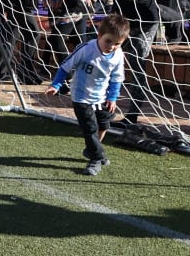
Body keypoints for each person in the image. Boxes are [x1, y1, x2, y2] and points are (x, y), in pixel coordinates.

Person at [46, 14, 130, 176]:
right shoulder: (86, 49)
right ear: (99, 35)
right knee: (90, 128)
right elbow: (65, 66)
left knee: (104, 125)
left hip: (103, 98)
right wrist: (56, 84)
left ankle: (92, 150)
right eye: (108, 41)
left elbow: (117, 78)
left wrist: (112, 98)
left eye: (117, 44)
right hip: (81, 97)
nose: (112, 46)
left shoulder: (118, 55)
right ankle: (96, 158)